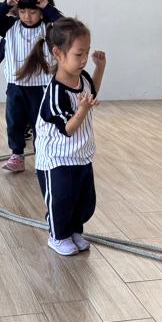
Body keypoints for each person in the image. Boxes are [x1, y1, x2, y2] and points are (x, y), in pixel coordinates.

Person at [18, 17, 106, 256]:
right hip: (57, 158)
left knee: (83, 200)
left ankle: (74, 230)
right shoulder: (55, 92)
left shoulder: (82, 77)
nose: (84, 59)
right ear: (58, 53)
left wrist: (99, 67)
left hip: (81, 154)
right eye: (79, 54)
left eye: (86, 53)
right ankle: (58, 236)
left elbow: (92, 90)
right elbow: (67, 129)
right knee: (62, 200)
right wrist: (82, 110)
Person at [0, 0, 62, 172]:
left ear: (41, 11)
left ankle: (42, 156)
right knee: (14, 122)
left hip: (40, 86)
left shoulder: (48, 28)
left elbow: (66, 27)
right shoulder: (11, 26)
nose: (27, 16)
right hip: (16, 86)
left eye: (33, 12)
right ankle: (17, 155)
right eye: (22, 11)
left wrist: (48, 8)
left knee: (40, 124)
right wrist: (5, 4)